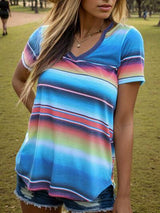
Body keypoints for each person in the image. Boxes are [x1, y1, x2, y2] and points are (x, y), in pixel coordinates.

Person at [12, 0, 145, 213]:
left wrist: (124, 196)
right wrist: (48, 117)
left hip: (92, 178)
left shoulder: (127, 40)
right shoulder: (44, 36)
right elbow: (19, 80)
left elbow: (124, 122)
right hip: (38, 166)